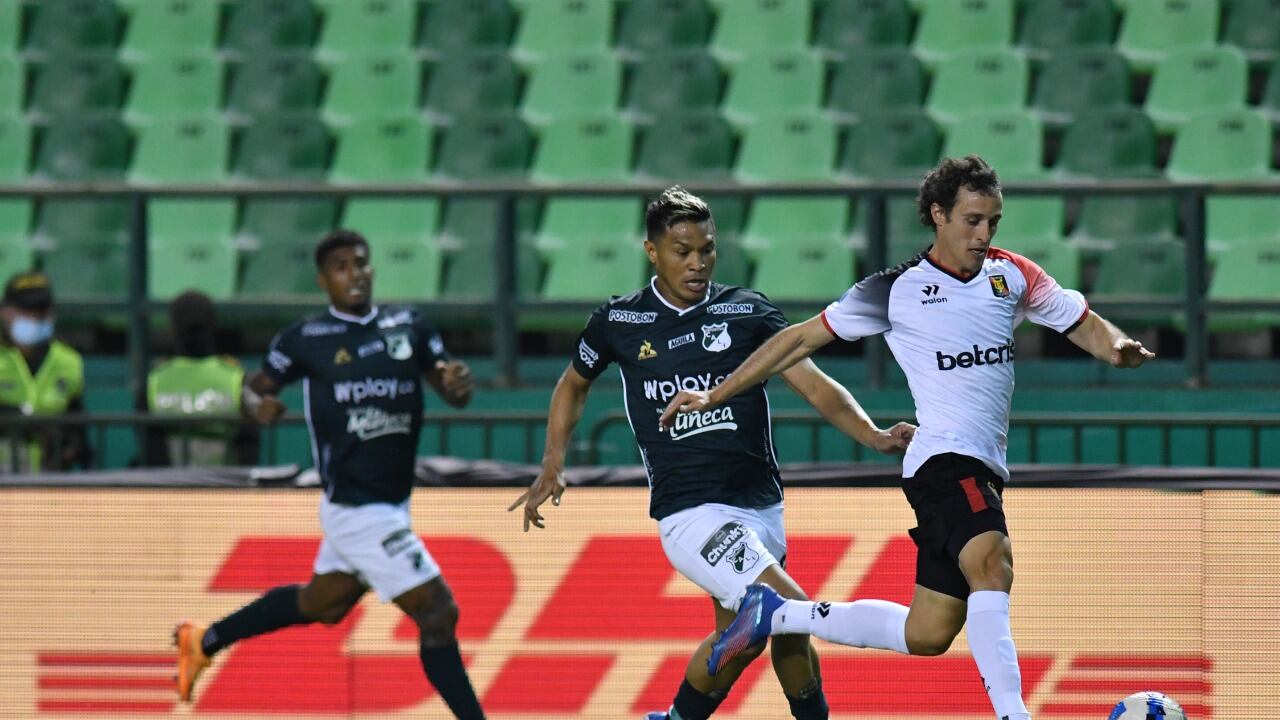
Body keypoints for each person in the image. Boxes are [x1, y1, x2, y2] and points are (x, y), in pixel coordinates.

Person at [660, 156, 1156, 720]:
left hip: (982, 465)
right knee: (993, 563)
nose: (984, 233)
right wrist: (716, 394)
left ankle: (775, 613)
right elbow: (796, 341)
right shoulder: (895, 290)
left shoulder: (1012, 274)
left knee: (928, 633)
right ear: (938, 215)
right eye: (972, 220)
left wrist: (1117, 349)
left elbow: (1085, 323)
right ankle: (1014, 714)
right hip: (943, 459)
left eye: (993, 220)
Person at [509, 187, 915, 720]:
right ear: (652, 251)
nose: (697, 263)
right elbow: (572, 384)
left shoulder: (745, 311)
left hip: (760, 506)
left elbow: (812, 383)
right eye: (682, 251)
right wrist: (552, 462)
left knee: (756, 641)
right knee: (788, 609)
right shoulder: (619, 322)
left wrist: (874, 434)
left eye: (706, 250)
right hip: (691, 512)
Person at [174, 230, 485, 719]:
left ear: (372, 269)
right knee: (438, 613)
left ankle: (204, 640)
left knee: (323, 603)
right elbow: (252, 391)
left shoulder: (410, 326)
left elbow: (452, 388)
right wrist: (259, 407)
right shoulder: (305, 339)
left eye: (360, 262)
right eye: (340, 267)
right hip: (358, 509)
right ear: (323, 280)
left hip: (389, 502)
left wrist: (458, 383)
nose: (354, 273)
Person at [142, 290, 259, 467]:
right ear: (213, 326)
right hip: (226, 489)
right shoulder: (235, 378)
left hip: (169, 489)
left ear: (173, 328)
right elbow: (248, 451)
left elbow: (152, 452)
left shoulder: (155, 381)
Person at [0, 271, 90, 472]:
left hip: (48, 483)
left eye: (42, 310)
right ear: (6, 312)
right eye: (27, 310)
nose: (36, 317)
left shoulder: (69, 361)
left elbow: (77, 421)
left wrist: (70, 447)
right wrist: (21, 419)